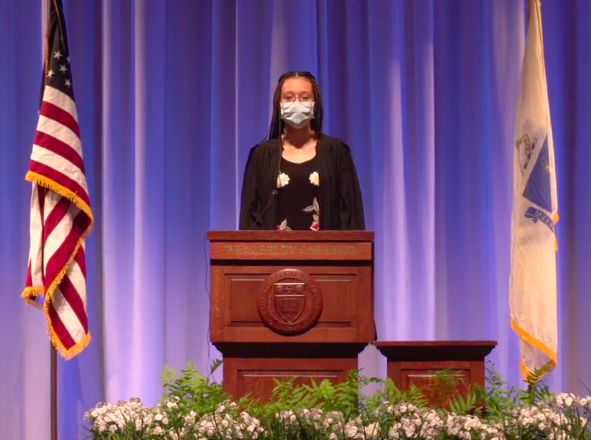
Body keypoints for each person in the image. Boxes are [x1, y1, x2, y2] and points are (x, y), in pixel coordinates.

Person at [239, 71, 365, 231]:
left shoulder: (336, 152)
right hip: (274, 254)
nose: (296, 103)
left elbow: (350, 215)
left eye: (305, 98)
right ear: (278, 104)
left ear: (315, 104)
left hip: (326, 254)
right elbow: (250, 217)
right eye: (289, 97)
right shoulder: (262, 155)